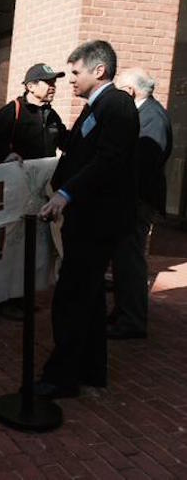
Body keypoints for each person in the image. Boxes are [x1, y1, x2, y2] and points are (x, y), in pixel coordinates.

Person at [37, 40, 139, 399]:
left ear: (99, 71)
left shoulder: (118, 105)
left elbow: (107, 160)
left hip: (98, 221)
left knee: (71, 298)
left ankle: (61, 377)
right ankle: (91, 370)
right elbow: (79, 150)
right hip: (86, 218)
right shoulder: (96, 106)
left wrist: (66, 194)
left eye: (76, 72)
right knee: (90, 298)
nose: (70, 80)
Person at [0, 63, 67, 320]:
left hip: (40, 192)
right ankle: (5, 299)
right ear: (31, 86)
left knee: (33, 246)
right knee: (12, 245)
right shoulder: (13, 112)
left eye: (54, 82)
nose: (53, 86)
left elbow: (66, 142)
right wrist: (6, 154)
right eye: (47, 82)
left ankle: (22, 296)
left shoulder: (52, 115)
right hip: (15, 193)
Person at [108, 68, 173, 339]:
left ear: (130, 91)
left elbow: (145, 163)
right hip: (133, 199)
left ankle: (132, 320)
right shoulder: (145, 114)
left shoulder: (152, 117)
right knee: (124, 259)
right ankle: (123, 312)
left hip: (138, 201)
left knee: (130, 260)